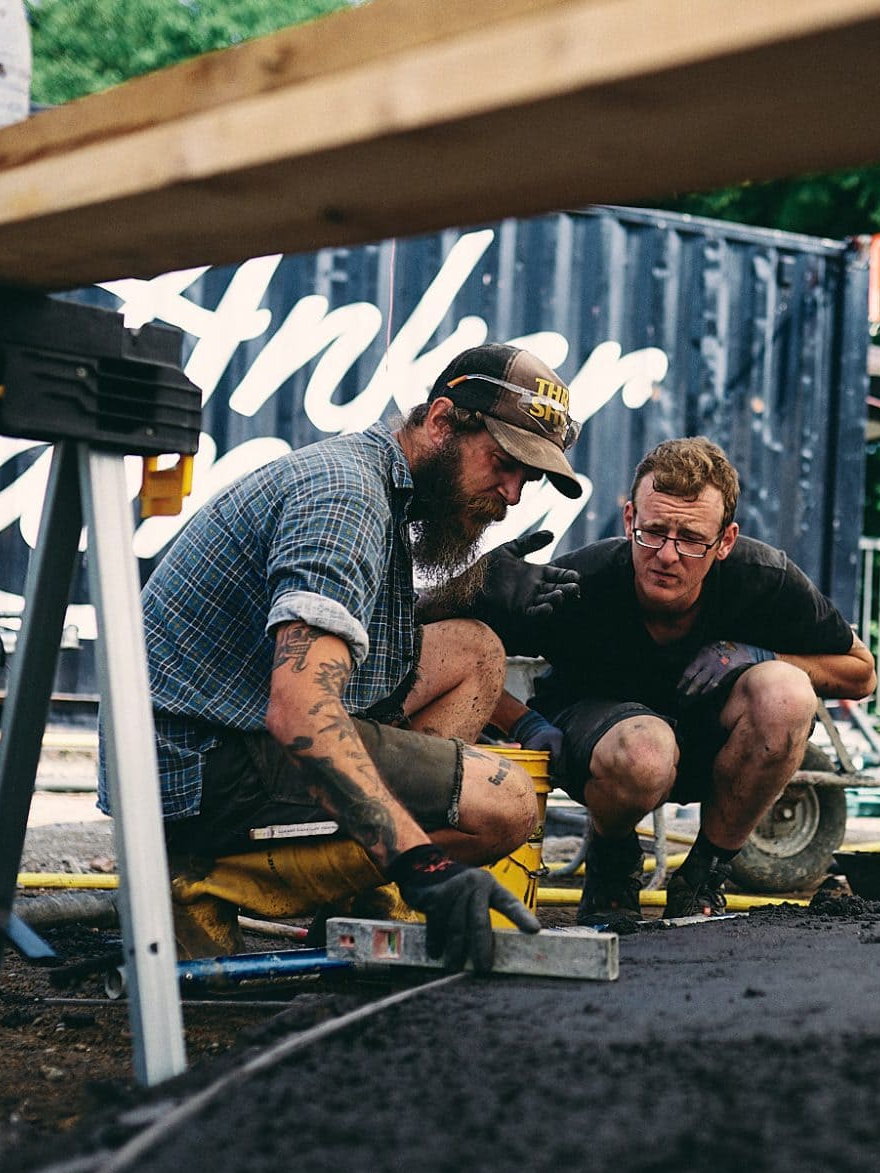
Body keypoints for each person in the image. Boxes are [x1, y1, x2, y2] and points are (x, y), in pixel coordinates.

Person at [104, 343, 588, 966]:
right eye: (503, 463)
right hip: (195, 772)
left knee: (475, 649)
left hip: (218, 729)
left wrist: (472, 590)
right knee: (507, 802)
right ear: (441, 420)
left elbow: (365, 639)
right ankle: (198, 882)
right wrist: (424, 863)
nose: (514, 494)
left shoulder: (383, 483)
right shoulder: (346, 498)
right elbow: (300, 711)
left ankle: (361, 895)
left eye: (530, 477)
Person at [468, 436, 876, 926]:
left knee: (787, 694)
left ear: (725, 541)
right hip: (607, 749)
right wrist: (525, 723)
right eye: (653, 532)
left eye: (691, 539)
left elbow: (861, 672)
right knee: (646, 751)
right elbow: (464, 648)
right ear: (629, 520)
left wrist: (758, 654)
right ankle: (614, 857)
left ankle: (704, 872)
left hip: (716, 745)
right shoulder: (582, 581)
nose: (666, 555)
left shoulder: (765, 579)